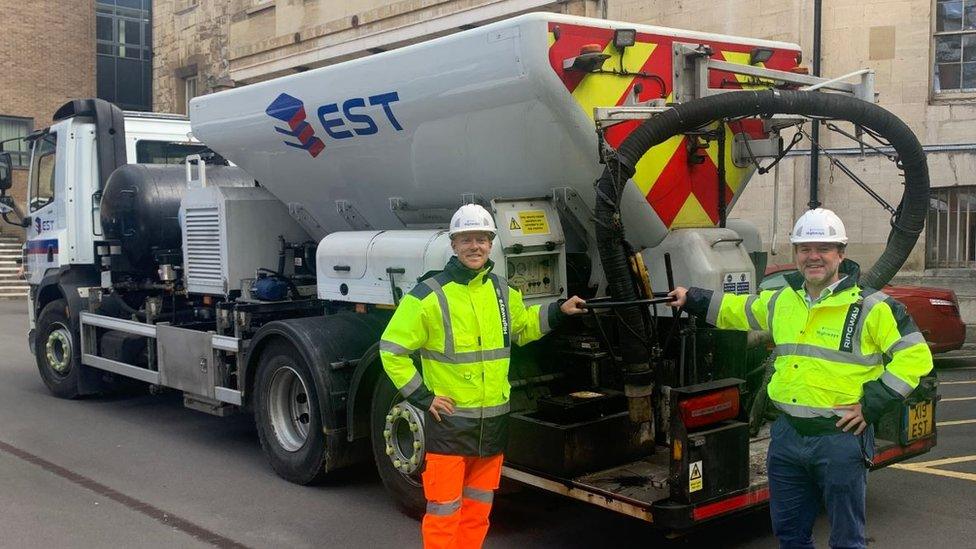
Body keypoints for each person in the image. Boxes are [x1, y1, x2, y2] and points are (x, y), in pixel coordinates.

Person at [667, 208, 932, 549]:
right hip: (788, 435)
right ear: (795, 254)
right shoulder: (782, 301)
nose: (814, 256)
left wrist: (872, 404)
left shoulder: (871, 307)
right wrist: (693, 298)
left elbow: (915, 355)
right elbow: (737, 309)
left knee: (847, 539)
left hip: (839, 438)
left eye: (823, 248)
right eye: (805, 249)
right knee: (790, 535)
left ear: (841, 253)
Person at [380, 204, 586, 549]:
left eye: (482, 239)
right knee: (444, 513)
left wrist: (559, 312)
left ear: (491, 244)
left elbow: (523, 327)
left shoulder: (504, 292)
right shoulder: (428, 295)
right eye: (466, 240)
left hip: (492, 424)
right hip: (450, 426)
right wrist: (423, 397)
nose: (475, 246)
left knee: (478, 511)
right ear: (454, 244)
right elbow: (392, 350)